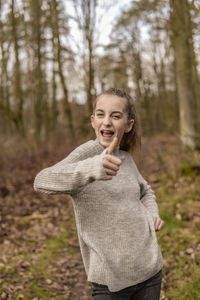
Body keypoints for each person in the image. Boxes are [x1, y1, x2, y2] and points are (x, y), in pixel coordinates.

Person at [33, 88, 165, 300]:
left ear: (128, 124)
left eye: (116, 116)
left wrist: (152, 213)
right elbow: (41, 181)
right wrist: (93, 169)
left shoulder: (125, 157)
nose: (107, 122)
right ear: (93, 121)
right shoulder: (86, 153)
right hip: (110, 281)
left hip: (149, 270)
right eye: (101, 114)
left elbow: (145, 191)